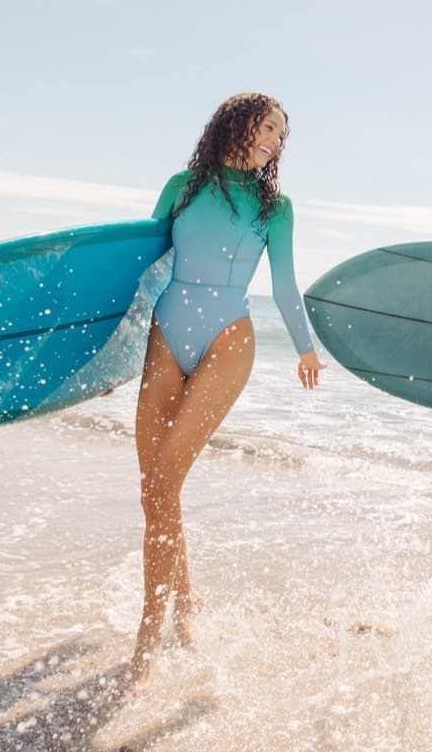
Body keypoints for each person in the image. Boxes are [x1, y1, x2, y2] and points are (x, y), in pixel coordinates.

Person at [129, 92, 325, 688]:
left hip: (228, 339)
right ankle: (186, 608)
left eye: (281, 136)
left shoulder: (275, 206)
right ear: (236, 123)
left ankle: (149, 635)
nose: (274, 141)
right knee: (155, 489)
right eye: (268, 128)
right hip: (165, 330)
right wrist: (108, 354)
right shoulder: (182, 186)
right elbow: (141, 263)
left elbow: (285, 283)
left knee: (164, 481)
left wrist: (305, 346)